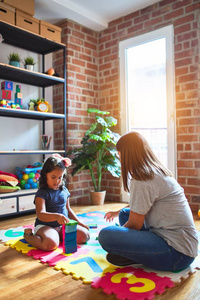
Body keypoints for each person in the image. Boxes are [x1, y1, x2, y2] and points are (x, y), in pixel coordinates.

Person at [98, 132, 198, 271]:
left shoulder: (142, 179)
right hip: (183, 243)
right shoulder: (155, 172)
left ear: (126, 155)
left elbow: (134, 224)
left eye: (119, 155)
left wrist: (117, 237)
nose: (119, 159)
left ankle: (135, 254)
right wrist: (116, 212)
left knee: (106, 235)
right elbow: (140, 203)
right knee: (124, 214)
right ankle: (137, 254)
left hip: (177, 253)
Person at [24, 154, 90, 251]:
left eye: (60, 177)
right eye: (53, 177)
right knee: (50, 244)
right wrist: (56, 216)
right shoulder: (42, 193)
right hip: (45, 226)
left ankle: (58, 236)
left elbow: (68, 209)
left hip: (62, 226)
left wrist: (79, 223)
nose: (57, 181)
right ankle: (28, 236)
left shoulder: (64, 190)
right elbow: (40, 214)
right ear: (45, 175)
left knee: (85, 236)